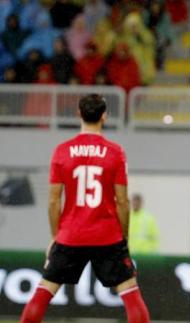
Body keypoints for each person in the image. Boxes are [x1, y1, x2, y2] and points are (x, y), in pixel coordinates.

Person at [20, 94, 150, 323]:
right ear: (104, 116)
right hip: (107, 236)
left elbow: (53, 200)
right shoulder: (115, 152)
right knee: (131, 295)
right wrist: (124, 236)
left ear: (78, 114)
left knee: (42, 295)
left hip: (70, 235)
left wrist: (55, 236)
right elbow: (123, 201)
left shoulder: (62, 151)